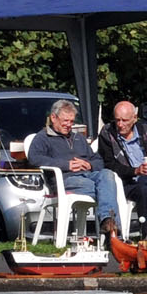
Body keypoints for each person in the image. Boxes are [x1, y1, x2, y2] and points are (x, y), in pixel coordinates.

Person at [30, 99, 124, 239]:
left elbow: (98, 160)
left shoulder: (78, 138)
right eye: (65, 121)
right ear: (53, 118)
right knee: (108, 188)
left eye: (71, 121)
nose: (69, 125)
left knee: (107, 175)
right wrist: (66, 165)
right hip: (64, 179)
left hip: (87, 175)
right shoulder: (42, 138)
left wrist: (89, 165)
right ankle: (113, 232)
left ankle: (108, 223)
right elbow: (35, 159)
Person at [97, 100, 147, 229]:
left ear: (134, 118)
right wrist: (135, 171)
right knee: (143, 190)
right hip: (126, 183)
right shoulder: (107, 133)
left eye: (124, 120)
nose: (120, 124)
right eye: (117, 120)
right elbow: (109, 165)